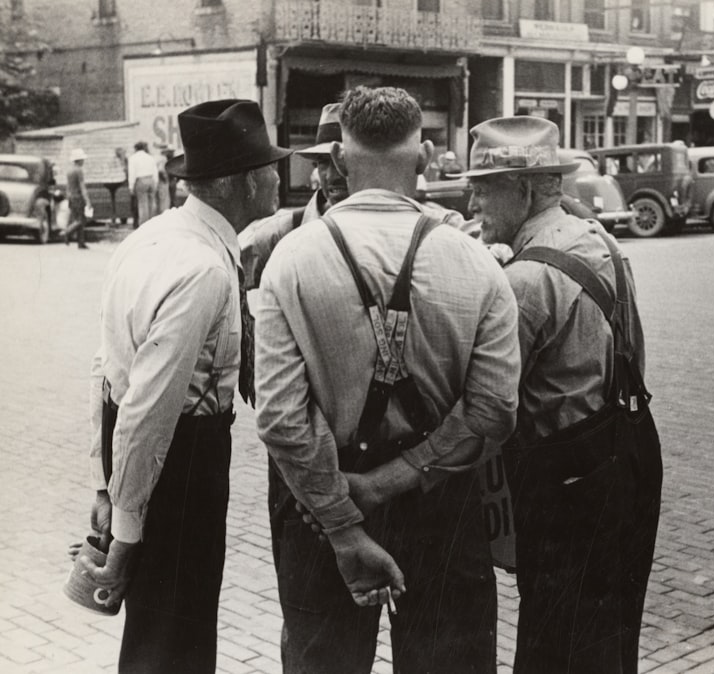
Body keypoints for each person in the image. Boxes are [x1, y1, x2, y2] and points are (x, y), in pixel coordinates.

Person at [254, 85, 520, 673]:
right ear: (424, 157)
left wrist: (346, 522)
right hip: (442, 505)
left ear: (341, 160)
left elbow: (279, 418)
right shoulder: (478, 262)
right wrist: (394, 480)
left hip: (320, 505)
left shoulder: (290, 261)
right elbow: (494, 410)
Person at [78, 99, 290, 673]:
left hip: (152, 463)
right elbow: (150, 410)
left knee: (159, 632)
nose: (279, 176)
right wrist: (124, 534)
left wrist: (105, 486)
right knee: (178, 638)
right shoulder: (201, 267)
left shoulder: (151, 238)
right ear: (242, 184)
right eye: (270, 168)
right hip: (183, 464)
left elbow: (106, 372)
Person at [465, 116, 663, 674]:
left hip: (565, 476)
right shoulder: (600, 239)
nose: (472, 197)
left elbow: (489, 405)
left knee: (553, 644)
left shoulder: (524, 282)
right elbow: (636, 355)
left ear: (524, 189)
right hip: (628, 449)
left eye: (484, 185)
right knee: (612, 630)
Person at [240, 103, 349, 288]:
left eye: (343, 161)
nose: (332, 175)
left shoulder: (388, 230)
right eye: (323, 162)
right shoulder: (280, 232)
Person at [64, 148, 92, 249]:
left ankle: (81, 242)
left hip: (71, 197)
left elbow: (68, 186)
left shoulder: (69, 171)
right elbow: (82, 186)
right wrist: (88, 200)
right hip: (78, 197)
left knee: (76, 219)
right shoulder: (78, 170)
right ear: (79, 160)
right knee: (80, 220)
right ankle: (67, 232)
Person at [128, 141, 159, 226]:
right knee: (152, 203)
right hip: (151, 179)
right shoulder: (150, 157)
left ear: (136, 148)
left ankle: (144, 225)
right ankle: (153, 223)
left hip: (141, 180)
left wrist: (131, 186)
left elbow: (132, 173)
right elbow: (155, 171)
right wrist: (156, 182)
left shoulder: (133, 158)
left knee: (142, 204)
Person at [154, 143, 173, 214]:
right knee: (164, 200)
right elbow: (161, 171)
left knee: (158, 200)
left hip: (156, 181)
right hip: (162, 181)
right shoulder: (163, 158)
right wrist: (165, 179)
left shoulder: (155, 157)